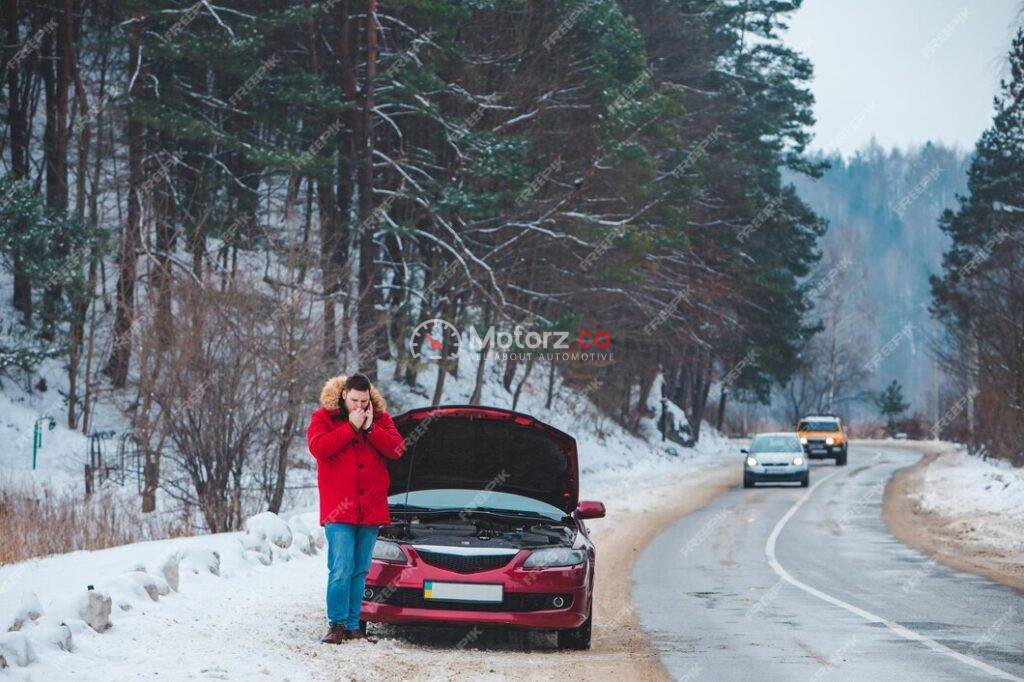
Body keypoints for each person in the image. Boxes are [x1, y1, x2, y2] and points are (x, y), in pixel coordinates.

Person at [306, 372, 405, 644]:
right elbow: (318, 448)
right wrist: (350, 427)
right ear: (344, 396)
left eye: (364, 400)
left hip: (370, 509)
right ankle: (336, 624)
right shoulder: (323, 417)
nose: (359, 406)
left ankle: (354, 625)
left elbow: (397, 449)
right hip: (339, 511)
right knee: (341, 567)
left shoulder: (381, 419)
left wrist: (372, 429)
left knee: (361, 569)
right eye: (354, 400)